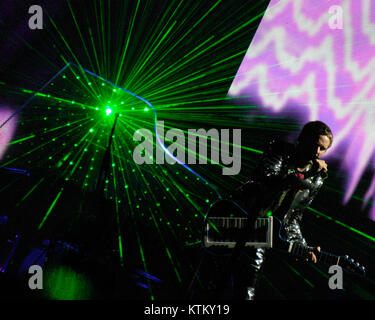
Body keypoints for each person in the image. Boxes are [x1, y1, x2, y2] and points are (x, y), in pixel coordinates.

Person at [229, 120, 333, 300]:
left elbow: (293, 216)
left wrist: (302, 246)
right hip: (237, 218)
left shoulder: (317, 179)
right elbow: (265, 183)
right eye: (314, 145)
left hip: (260, 234)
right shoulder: (280, 151)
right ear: (302, 139)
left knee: (247, 293)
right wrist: (305, 173)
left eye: (322, 149)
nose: (317, 152)